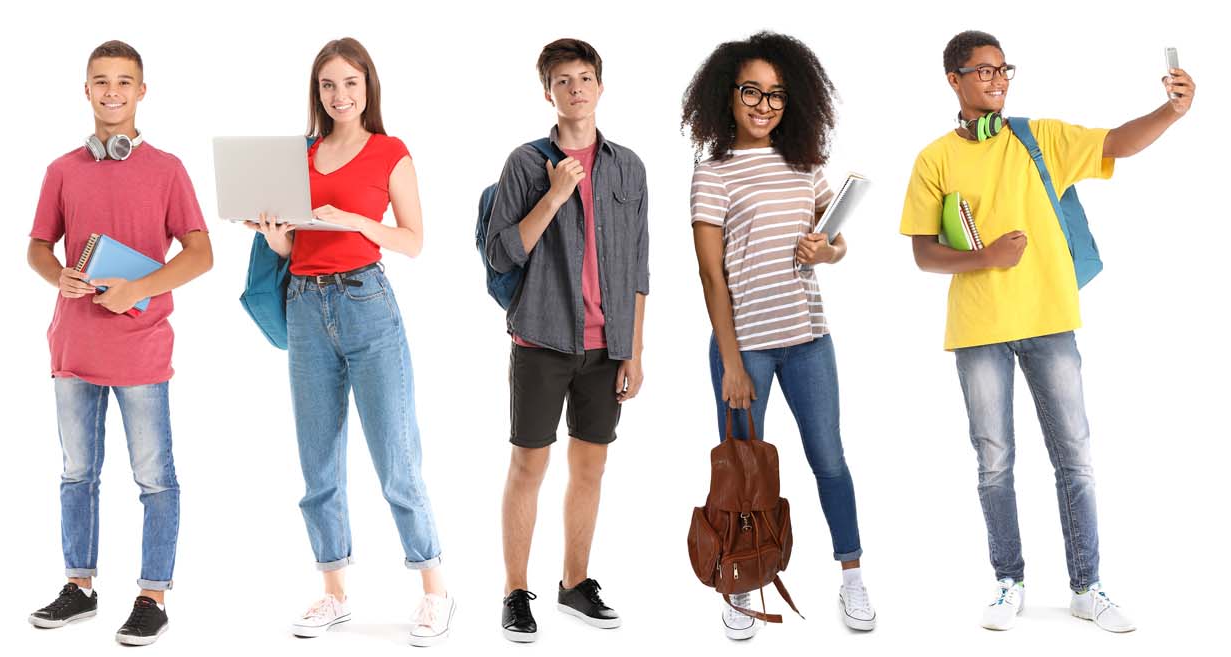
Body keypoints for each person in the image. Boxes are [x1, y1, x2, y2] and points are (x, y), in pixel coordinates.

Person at [900, 30, 1195, 634]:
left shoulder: (1041, 138)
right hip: (979, 330)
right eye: (983, 71)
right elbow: (924, 254)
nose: (998, 79)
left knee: (1076, 458)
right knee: (994, 462)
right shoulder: (934, 158)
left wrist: (1171, 109)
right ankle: (1008, 582)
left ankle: (1088, 587)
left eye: (1003, 69)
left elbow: (1117, 142)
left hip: (1050, 322)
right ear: (953, 80)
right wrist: (987, 259)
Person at [247, 37, 452, 648]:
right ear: (318, 92)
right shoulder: (300, 155)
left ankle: (434, 591)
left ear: (369, 88)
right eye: (329, 85)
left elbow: (413, 240)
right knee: (319, 462)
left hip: (367, 304)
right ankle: (333, 591)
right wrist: (275, 237)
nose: (340, 96)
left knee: (397, 457)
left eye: (351, 84)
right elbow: (293, 250)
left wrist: (356, 220)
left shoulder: (390, 151)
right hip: (306, 306)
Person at [679, 31, 874, 640]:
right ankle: (738, 584)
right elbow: (711, 275)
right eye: (752, 93)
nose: (765, 106)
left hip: (810, 338)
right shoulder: (713, 171)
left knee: (830, 460)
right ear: (726, 96)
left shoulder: (805, 162)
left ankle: (852, 578)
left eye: (777, 96)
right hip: (747, 349)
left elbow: (833, 242)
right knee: (742, 469)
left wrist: (828, 249)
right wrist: (733, 363)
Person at [22, 40, 213, 647]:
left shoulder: (167, 169)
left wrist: (139, 290)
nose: (111, 92)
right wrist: (60, 276)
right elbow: (37, 247)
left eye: (123, 82)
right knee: (77, 473)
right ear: (85, 90)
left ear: (141, 92)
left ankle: (152, 595)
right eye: (100, 82)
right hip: (73, 346)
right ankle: (79, 588)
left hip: (141, 349)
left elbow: (201, 254)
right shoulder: (61, 171)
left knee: (154, 477)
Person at [483, 38, 649, 643]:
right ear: (547, 92)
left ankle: (574, 584)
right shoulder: (526, 164)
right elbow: (503, 249)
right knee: (529, 463)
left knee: (591, 465)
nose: (575, 89)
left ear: (600, 87)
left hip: (607, 348)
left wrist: (633, 347)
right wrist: (554, 193)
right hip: (542, 339)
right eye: (562, 80)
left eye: (584, 78)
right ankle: (514, 592)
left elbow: (638, 264)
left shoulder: (629, 166)